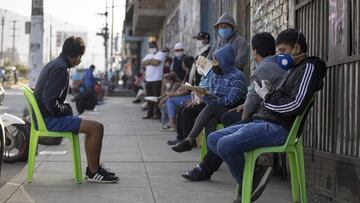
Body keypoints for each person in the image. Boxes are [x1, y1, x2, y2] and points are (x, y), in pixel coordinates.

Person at [207, 29, 327, 202]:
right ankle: (252, 177)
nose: (280, 56)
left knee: (225, 144)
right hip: (264, 120)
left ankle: (250, 182)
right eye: (278, 51)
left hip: (279, 128)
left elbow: (296, 104)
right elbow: (283, 98)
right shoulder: (293, 68)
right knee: (213, 139)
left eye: (283, 51)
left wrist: (267, 96)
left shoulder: (309, 67)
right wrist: (269, 94)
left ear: (297, 48)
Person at [181, 32, 286, 185]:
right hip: (268, 116)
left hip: (267, 121)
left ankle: (240, 176)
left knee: (223, 136)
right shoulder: (278, 66)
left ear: (254, 50)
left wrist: (243, 120)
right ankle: (210, 165)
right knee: (219, 121)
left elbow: (251, 101)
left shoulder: (262, 69)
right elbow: (259, 96)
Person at [34, 36, 119, 183]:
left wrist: (64, 109)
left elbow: (49, 98)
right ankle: (94, 171)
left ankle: (93, 169)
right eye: (81, 58)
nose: (80, 61)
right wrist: (65, 110)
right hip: (48, 120)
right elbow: (50, 102)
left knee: (93, 125)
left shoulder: (55, 63)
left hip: (44, 116)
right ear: (78, 56)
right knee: (97, 128)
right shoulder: (60, 69)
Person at [171, 44, 248, 153]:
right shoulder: (217, 75)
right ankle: (209, 155)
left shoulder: (238, 77)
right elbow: (214, 93)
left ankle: (190, 139)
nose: (213, 64)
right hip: (217, 109)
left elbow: (230, 101)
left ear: (225, 61)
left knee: (211, 108)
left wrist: (209, 99)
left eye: (216, 61)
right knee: (211, 120)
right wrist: (203, 95)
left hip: (232, 111)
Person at [165, 56, 195, 128]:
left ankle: (172, 122)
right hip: (188, 95)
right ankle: (172, 122)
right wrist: (176, 92)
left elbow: (187, 90)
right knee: (169, 100)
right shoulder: (187, 73)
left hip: (191, 97)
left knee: (170, 100)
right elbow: (183, 85)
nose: (182, 64)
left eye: (182, 63)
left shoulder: (191, 73)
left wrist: (173, 94)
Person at [141, 40, 165, 119]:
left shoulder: (160, 54)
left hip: (157, 79)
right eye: (150, 47)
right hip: (148, 80)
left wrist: (149, 61)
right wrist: (151, 61)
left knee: (156, 98)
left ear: (156, 47)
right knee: (149, 98)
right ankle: (149, 113)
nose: (151, 48)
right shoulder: (148, 55)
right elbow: (143, 62)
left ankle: (157, 114)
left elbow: (156, 63)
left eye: (153, 47)